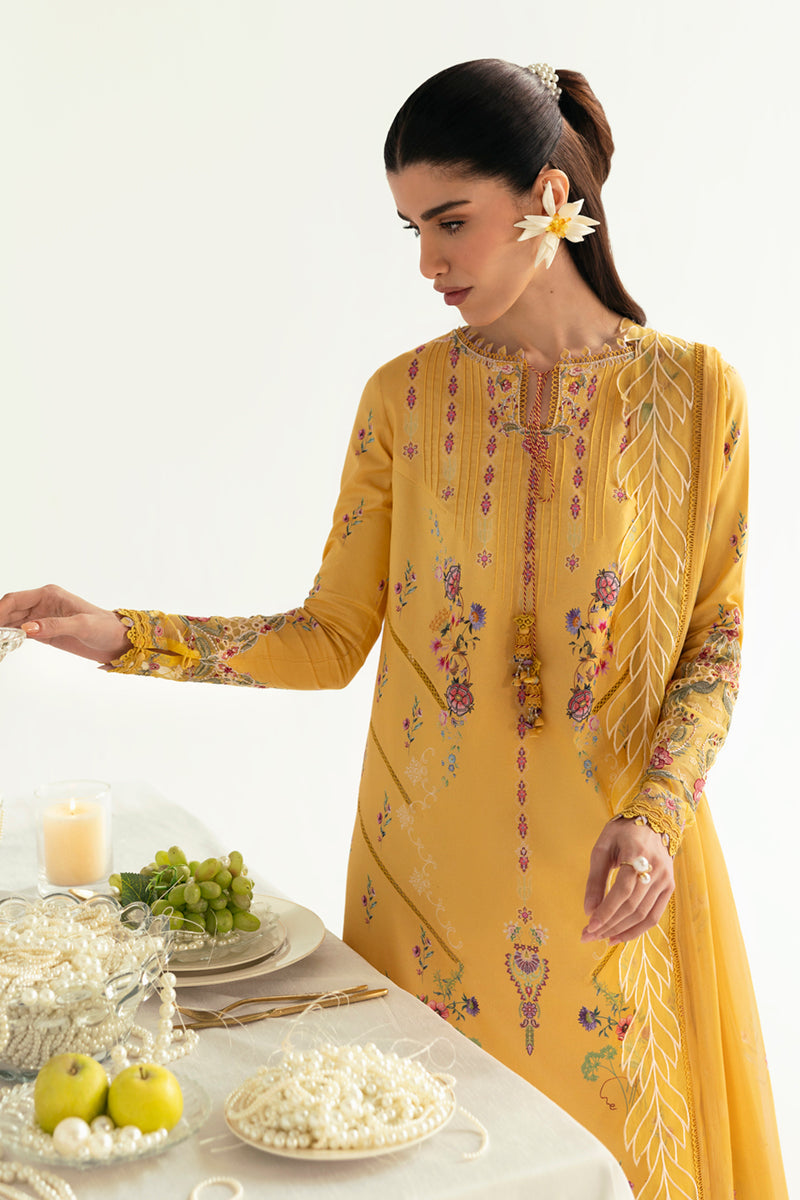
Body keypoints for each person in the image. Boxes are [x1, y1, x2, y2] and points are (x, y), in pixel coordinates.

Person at [0, 59, 787, 1198]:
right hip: (428, 886)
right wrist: (126, 635)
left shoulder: (696, 396)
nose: (428, 262)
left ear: (547, 196)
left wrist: (657, 816)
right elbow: (328, 639)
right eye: (413, 229)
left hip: (616, 877)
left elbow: (712, 643)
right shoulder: (404, 401)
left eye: (451, 222)